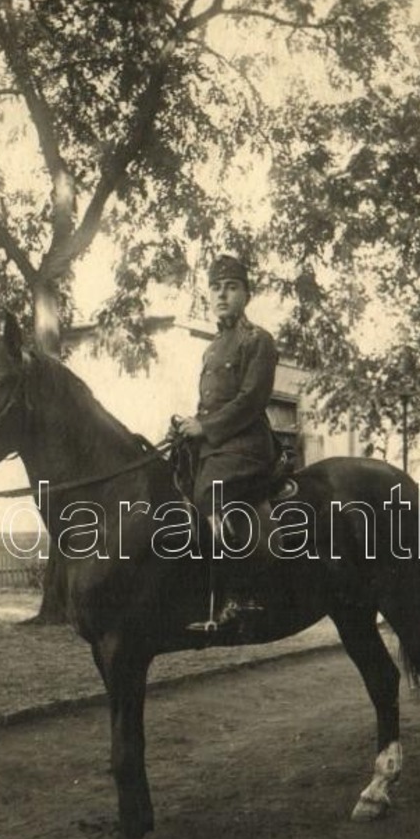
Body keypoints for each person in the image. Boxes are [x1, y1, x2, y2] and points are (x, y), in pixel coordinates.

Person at [177, 254, 279, 628]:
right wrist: (190, 426)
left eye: (231, 288)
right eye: (216, 288)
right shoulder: (212, 347)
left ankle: (239, 594)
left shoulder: (258, 341)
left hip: (246, 446)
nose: (222, 295)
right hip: (215, 443)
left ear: (246, 295)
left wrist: (206, 428)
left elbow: (251, 400)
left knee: (209, 494)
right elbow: (211, 402)